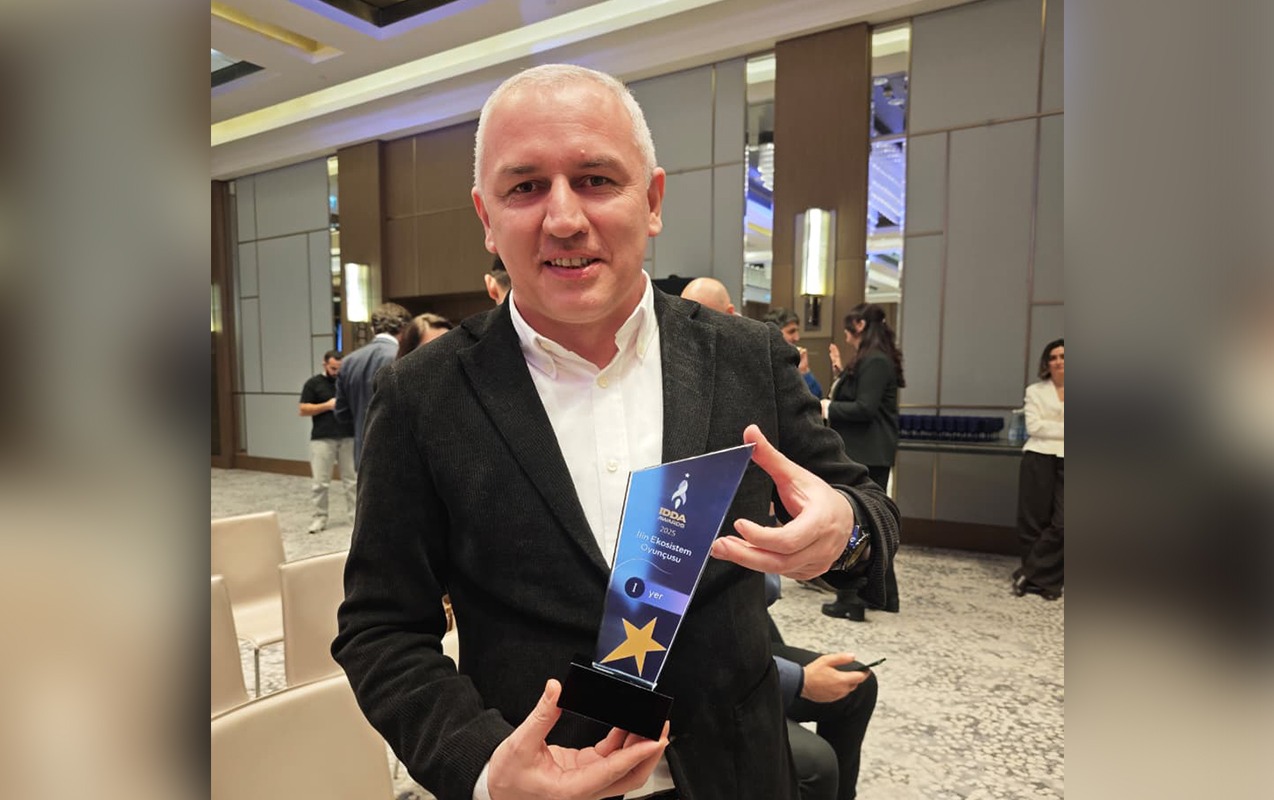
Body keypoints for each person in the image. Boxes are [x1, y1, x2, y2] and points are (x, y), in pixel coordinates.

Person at [332, 64, 899, 800]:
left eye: (596, 179)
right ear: (486, 217)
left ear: (652, 200)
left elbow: (866, 511)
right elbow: (381, 627)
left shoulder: (746, 358)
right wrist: (483, 765)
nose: (564, 218)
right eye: (525, 187)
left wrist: (845, 532)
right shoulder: (422, 395)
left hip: (736, 770)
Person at [819, 303, 904, 621]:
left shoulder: (875, 360)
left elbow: (865, 408)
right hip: (870, 452)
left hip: (865, 452)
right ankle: (884, 595)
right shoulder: (874, 359)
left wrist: (827, 407)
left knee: (857, 524)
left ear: (859, 325)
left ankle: (851, 598)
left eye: (847, 329)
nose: (844, 336)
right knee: (870, 523)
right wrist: (841, 373)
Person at [766, 575, 876, 800]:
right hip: (698, 670)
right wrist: (799, 680)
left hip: (734, 634)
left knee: (858, 685)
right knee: (815, 765)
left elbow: (767, 589)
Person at [1012, 338, 1064, 600]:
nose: (1058, 362)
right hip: (1038, 457)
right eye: (1053, 357)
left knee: (1063, 523)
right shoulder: (1035, 391)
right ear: (1046, 363)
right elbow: (1034, 427)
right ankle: (1047, 583)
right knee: (1033, 522)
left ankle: (1028, 573)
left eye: (1063, 356)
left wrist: (1051, 427)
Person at [334, 301, 411, 467]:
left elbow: (341, 414)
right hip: (401, 456)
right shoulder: (406, 357)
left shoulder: (348, 362)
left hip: (363, 454)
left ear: (372, 329)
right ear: (405, 328)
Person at [298, 350, 356, 533]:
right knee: (320, 483)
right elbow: (303, 409)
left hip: (349, 436)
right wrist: (327, 405)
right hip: (322, 438)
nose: (336, 372)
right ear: (324, 365)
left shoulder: (348, 382)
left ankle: (356, 518)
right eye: (333, 368)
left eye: (340, 368)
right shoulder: (313, 383)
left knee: (352, 482)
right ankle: (320, 517)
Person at [765, 307, 822, 397]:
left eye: (797, 331)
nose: (797, 338)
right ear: (773, 334)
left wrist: (804, 371)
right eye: (791, 332)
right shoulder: (762, 363)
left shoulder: (792, 361)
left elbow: (816, 396)